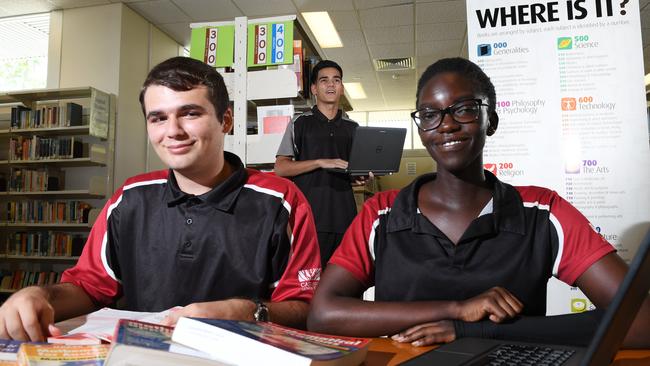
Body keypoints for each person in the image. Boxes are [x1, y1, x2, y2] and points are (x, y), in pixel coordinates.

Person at [307, 57, 650, 348]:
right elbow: (323, 314)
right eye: (430, 114)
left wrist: (477, 329)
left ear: (492, 121)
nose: (447, 125)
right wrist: (457, 309)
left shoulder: (543, 212)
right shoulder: (381, 213)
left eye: (465, 110)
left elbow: (640, 319)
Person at [0, 57, 322, 342]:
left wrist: (249, 312)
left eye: (190, 113)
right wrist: (40, 295)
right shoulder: (129, 199)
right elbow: (88, 286)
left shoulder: (281, 201)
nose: (173, 131)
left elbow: (304, 308)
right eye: (158, 118)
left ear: (226, 120)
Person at [274, 60, 362, 265]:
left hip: (346, 217)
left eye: (336, 80)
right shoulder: (300, 123)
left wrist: (361, 176)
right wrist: (321, 162)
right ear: (314, 88)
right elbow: (281, 168)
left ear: (341, 88)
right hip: (309, 218)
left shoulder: (353, 128)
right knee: (309, 283)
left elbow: (355, 171)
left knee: (345, 283)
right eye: (324, 80)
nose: (331, 85)